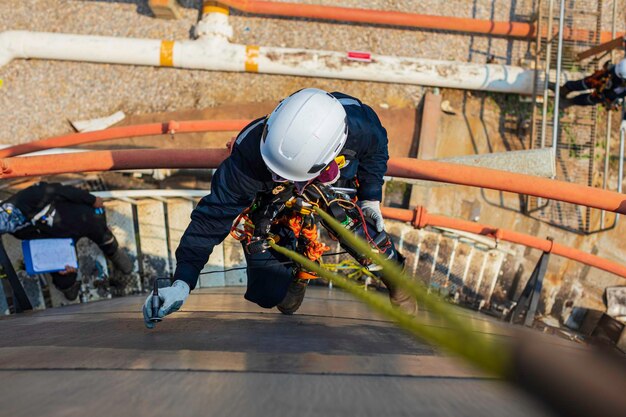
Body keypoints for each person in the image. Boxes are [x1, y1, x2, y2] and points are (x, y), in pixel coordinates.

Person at [143, 88, 415, 328]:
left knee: (357, 232)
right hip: (271, 194)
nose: (278, 175)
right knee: (269, 294)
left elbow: (377, 151)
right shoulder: (251, 156)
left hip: (332, 177)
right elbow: (211, 218)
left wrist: (369, 198)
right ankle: (298, 270)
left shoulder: (360, 127)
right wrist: (182, 282)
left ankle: (397, 283)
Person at [0, 182, 133, 300]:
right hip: (58, 240)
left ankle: (113, 252)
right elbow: (41, 245)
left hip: (79, 219)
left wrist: (91, 200)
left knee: (102, 235)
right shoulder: (16, 231)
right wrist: (55, 264)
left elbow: (59, 190)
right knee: (64, 278)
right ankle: (69, 285)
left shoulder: (28, 197)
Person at [549, 59, 626, 109]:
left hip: (618, 89)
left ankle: (568, 102)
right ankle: (563, 90)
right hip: (615, 72)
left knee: (595, 98)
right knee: (591, 81)